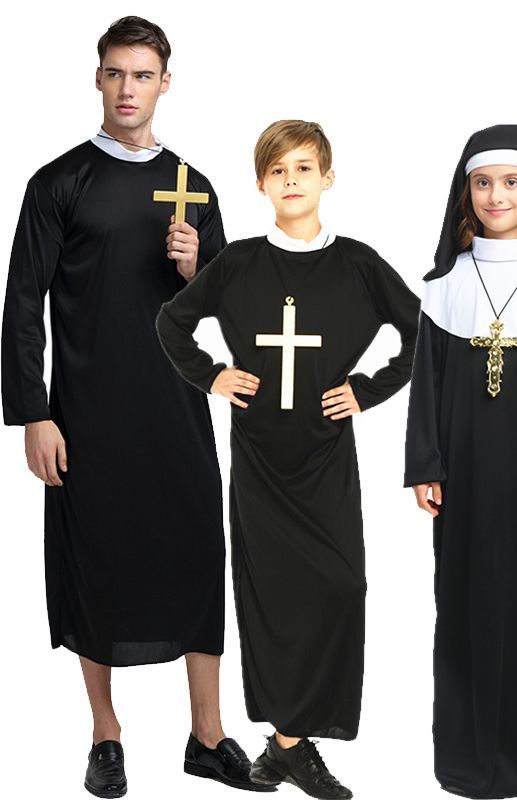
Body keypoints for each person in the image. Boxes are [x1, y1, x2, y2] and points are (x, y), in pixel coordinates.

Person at [0, 16, 267, 797]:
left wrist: (197, 268)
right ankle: (106, 735)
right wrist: (33, 412)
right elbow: (22, 304)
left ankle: (208, 736)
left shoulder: (193, 186)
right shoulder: (59, 183)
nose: (128, 89)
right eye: (115, 73)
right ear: (98, 79)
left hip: (176, 408)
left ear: (164, 84)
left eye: (142, 75)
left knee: (198, 553)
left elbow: (231, 314)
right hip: (87, 412)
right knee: (97, 562)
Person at [156, 119, 420, 800]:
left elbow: (422, 332)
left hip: (326, 458)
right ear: (261, 184)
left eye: (304, 168)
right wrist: (212, 375)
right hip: (261, 463)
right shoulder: (239, 263)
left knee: (341, 588)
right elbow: (171, 322)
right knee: (272, 601)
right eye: (278, 170)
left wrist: (367, 389)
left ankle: (284, 748)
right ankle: (293, 748)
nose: (292, 180)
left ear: (327, 178)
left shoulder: (358, 263)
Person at [404, 124, 517, 798]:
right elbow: (427, 383)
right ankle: (464, 760)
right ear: (466, 192)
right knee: (459, 608)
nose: (495, 195)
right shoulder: (444, 283)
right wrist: (426, 462)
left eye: (510, 182)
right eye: (482, 183)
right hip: (462, 476)